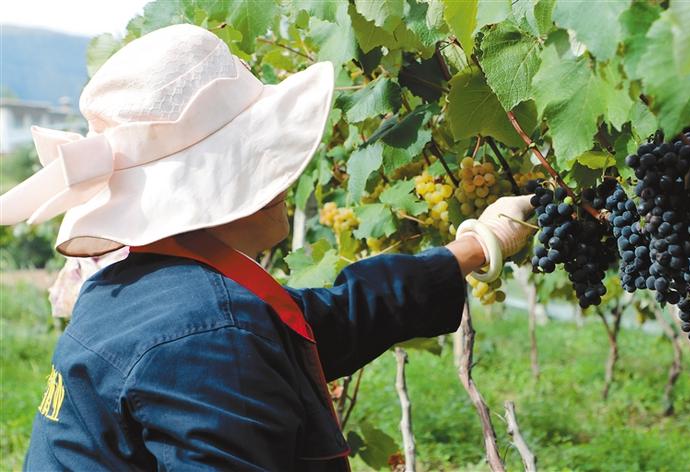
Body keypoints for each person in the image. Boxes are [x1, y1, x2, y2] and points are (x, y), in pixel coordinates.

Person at [0, 24, 533, 471]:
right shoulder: (210, 335)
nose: (283, 178)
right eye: (260, 156)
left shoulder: (137, 292)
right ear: (213, 183)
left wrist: (474, 245)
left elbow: (332, 318)